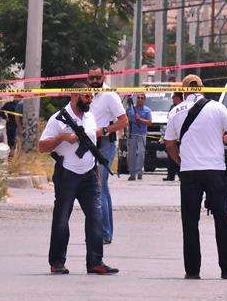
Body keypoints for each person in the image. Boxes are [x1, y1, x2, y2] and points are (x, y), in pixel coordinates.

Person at [164, 74, 227, 280]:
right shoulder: (217, 108)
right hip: (214, 170)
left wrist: (180, 162)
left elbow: (170, 144)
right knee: (222, 219)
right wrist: (222, 139)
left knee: (190, 222)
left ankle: (192, 270)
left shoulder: (175, 111)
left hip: (189, 171)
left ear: (183, 91)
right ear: (202, 89)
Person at [38, 83, 119, 275]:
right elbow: (42, 146)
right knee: (61, 219)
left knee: (96, 218)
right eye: (86, 96)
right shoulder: (58, 119)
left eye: (91, 97)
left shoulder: (90, 116)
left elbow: (93, 142)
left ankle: (95, 262)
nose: (90, 99)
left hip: (89, 174)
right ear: (75, 95)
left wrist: (97, 173)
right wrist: (62, 138)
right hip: (67, 174)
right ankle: (57, 262)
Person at [87, 67, 128, 244]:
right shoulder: (89, 94)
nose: (95, 80)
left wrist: (103, 130)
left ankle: (103, 233)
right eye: (91, 77)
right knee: (102, 188)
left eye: (97, 77)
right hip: (90, 144)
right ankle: (105, 231)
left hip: (105, 143)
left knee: (99, 186)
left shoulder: (110, 95)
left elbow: (124, 121)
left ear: (103, 77)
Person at [125, 93, 152, 181]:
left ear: (144, 100)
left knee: (140, 153)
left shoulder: (147, 110)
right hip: (132, 134)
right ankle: (132, 173)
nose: (140, 99)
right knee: (131, 154)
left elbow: (149, 122)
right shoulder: (130, 109)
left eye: (142, 98)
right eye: (138, 98)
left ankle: (139, 171)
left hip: (141, 134)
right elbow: (125, 120)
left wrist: (140, 119)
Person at [163, 92, 183, 182]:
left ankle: (181, 175)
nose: (173, 99)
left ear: (178, 97)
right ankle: (170, 176)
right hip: (173, 136)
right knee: (171, 157)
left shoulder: (183, 106)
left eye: (174, 97)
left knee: (181, 156)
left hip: (181, 136)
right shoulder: (172, 107)